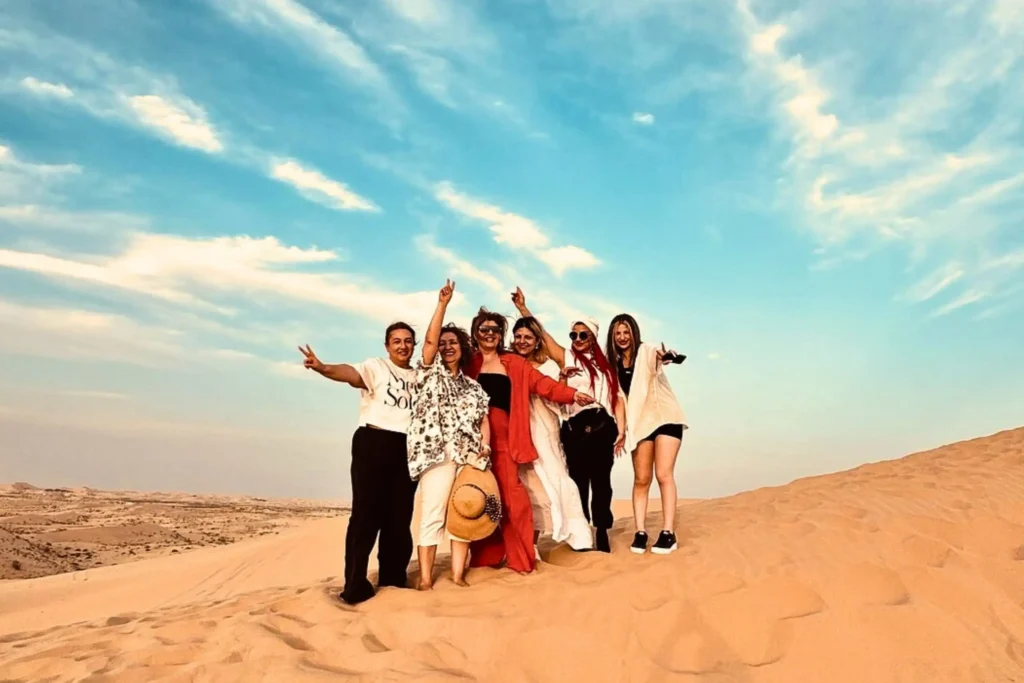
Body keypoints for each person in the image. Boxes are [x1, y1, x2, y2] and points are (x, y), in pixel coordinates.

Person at [467, 307, 595, 573]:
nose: (490, 334)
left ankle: (521, 559)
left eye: (495, 330)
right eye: (484, 329)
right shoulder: (470, 363)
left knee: (514, 500)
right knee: (483, 496)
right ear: (475, 334)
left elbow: (543, 385)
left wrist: (572, 395)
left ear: (501, 335)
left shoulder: (514, 363)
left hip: (504, 439)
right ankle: (485, 558)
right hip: (473, 441)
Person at [298, 322, 417, 605]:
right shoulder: (376, 367)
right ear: (387, 346)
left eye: (408, 340)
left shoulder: (421, 375)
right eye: (396, 341)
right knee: (366, 516)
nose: (403, 345)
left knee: (399, 519)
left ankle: (393, 578)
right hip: (373, 442)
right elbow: (350, 374)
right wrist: (322, 367)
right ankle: (355, 584)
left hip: (407, 448)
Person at [406, 280, 492, 589]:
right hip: (437, 455)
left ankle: (456, 575)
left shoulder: (473, 387)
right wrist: (442, 305)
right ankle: (427, 578)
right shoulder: (430, 372)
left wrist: (486, 446)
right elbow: (428, 344)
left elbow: (484, 420)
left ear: (463, 348)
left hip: (467, 458)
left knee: (462, 515)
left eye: (453, 342)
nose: (447, 346)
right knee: (432, 514)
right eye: (443, 342)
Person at [510, 288, 594, 552]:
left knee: (556, 481)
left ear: (536, 342)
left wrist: (525, 309)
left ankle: (578, 537)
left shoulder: (546, 365)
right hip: (518, 432)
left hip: (545, 431)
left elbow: (553, 394)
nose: (523, 341)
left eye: (528, 337)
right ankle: (527, 547)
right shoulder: (507, 363)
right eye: (518, 337)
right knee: (525, 488)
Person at [606, 313, 687, 555]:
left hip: (665, 418)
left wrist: (669, 356)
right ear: (612, 337)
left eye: (626, 332)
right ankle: (640, 531)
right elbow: (619, 400)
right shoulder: (613, 366)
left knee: (664, 474)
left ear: (634, 333)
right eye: (618, 333)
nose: (622, 337)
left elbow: (662, 356)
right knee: (642, 479)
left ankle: (668, 532)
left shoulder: (647, 351)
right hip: (640, 424)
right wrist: (621, 431)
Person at [559, 318, 626, 553]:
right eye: (573, 335)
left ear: (593, 337)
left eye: (583, 335)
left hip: (601, 425)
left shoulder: (606, 365)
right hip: (574, 427)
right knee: (578, 482)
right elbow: (544, 339)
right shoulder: (567, 359)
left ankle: (602, 529)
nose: (577, 339)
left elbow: (617, 400)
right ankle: (583, 530)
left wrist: (622, 429)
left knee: (601, 483)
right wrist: (523, 308)